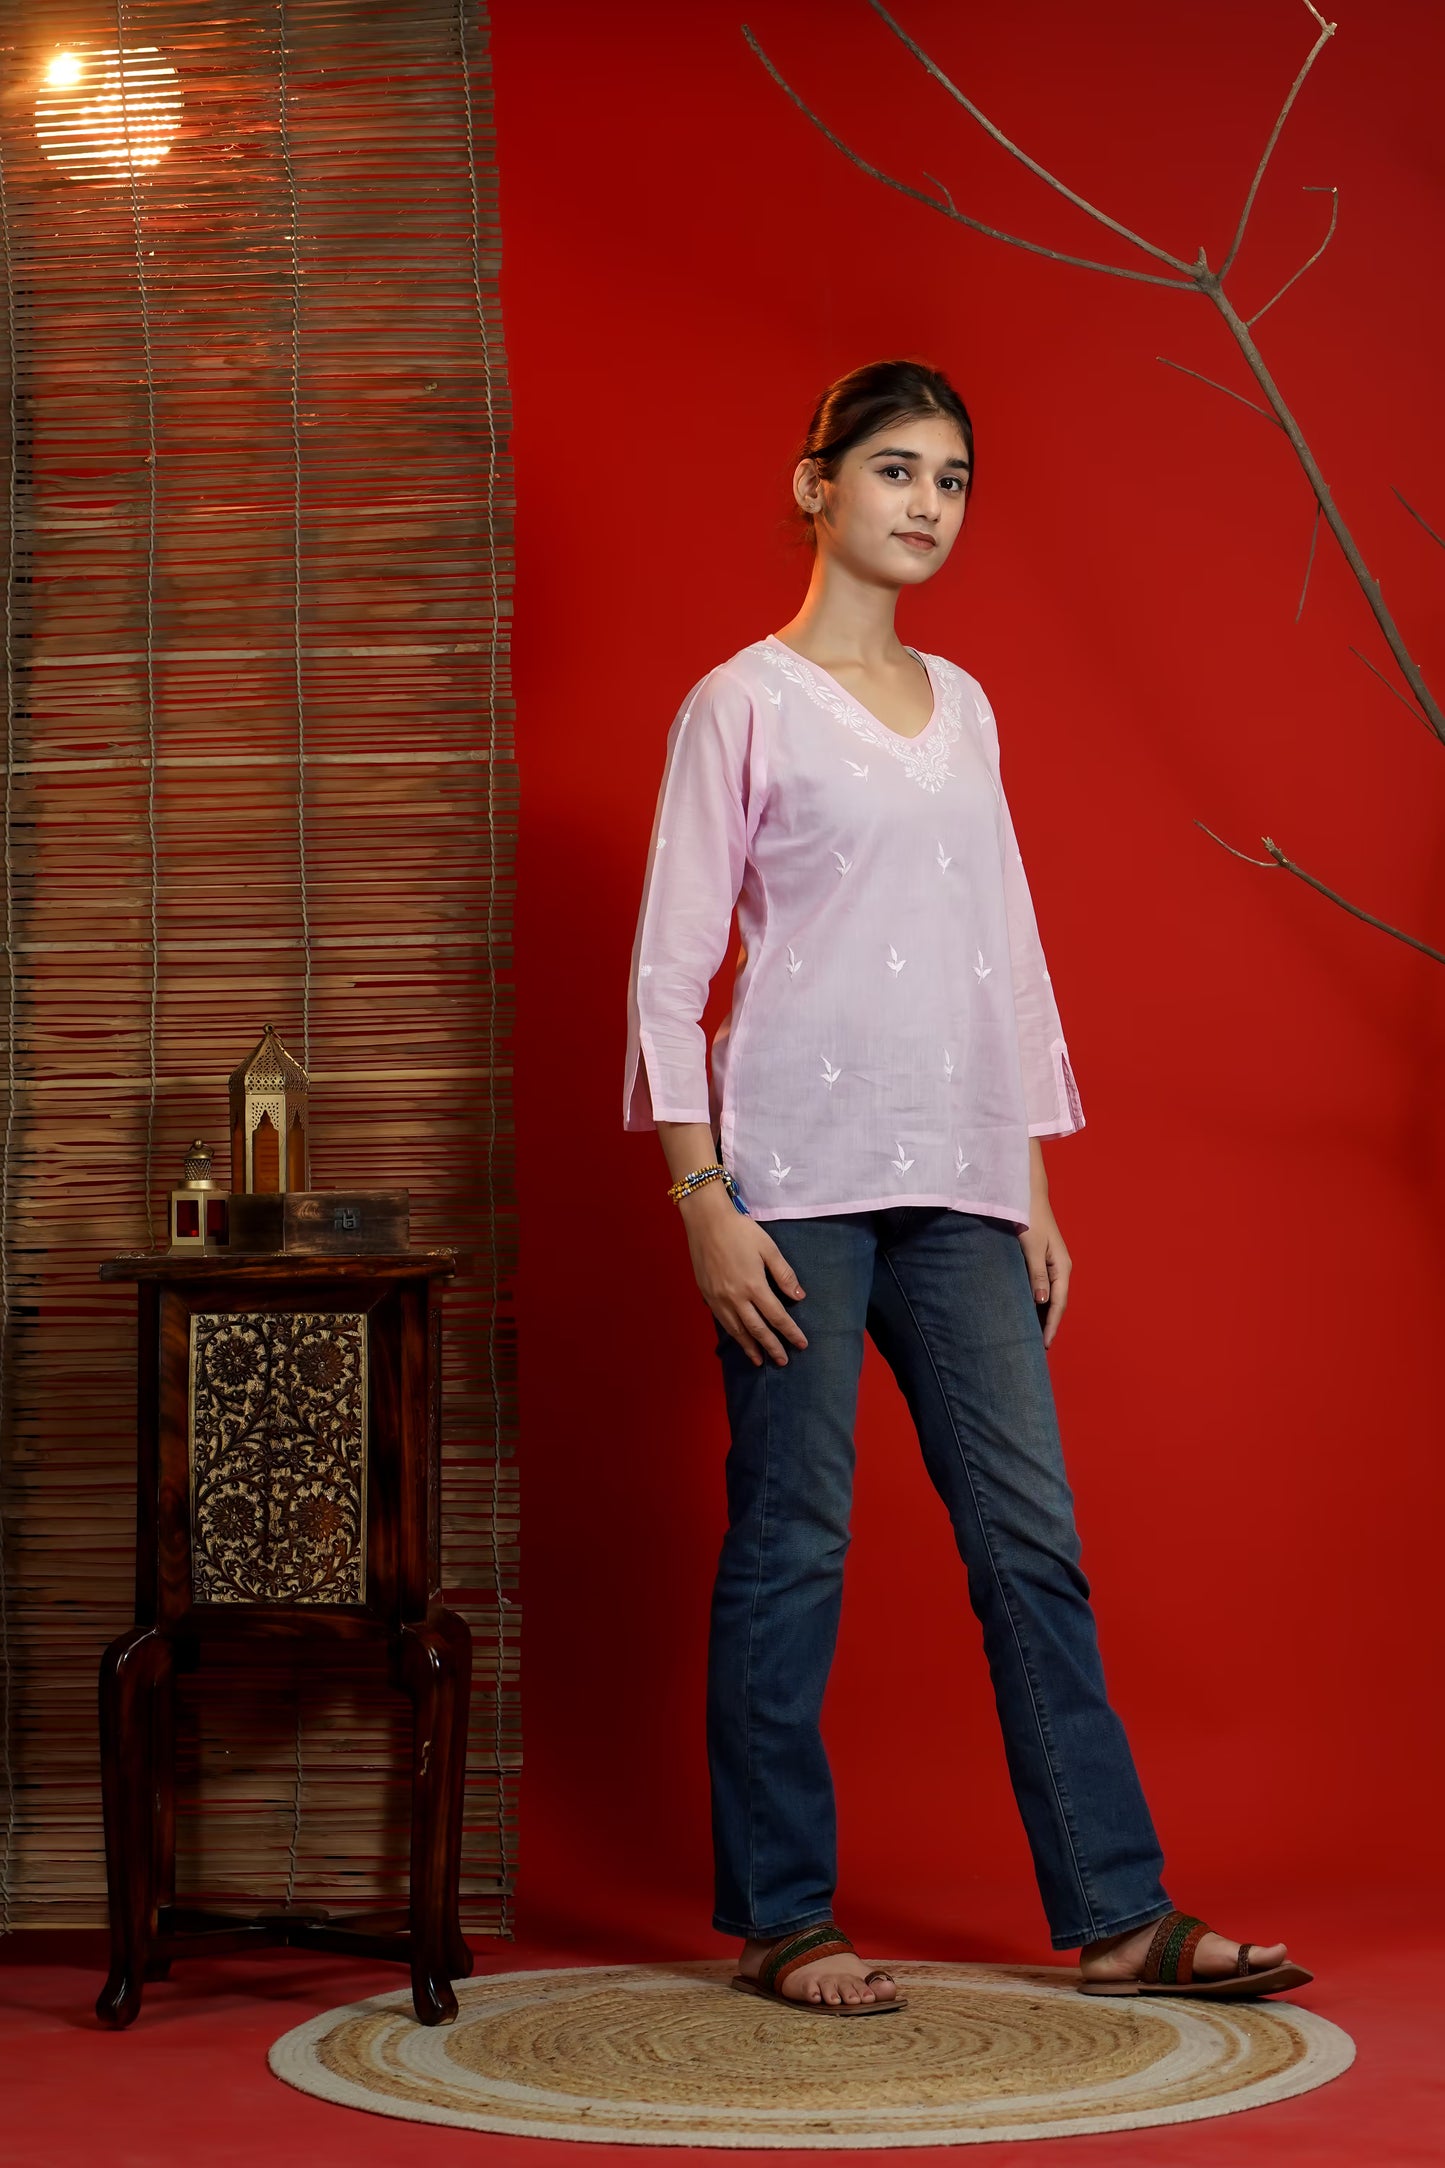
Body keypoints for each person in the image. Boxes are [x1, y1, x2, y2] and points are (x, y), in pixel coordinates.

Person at [621, 358, 1310, 2016]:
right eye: (895, 470)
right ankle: (785, 1918)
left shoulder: (974, 705)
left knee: (1030, 1546)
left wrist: (1030, 1182)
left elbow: (1007, 957)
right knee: (794, 1542)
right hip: (785, 1178)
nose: (926, 505)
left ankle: (1117, 1915)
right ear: (815, 486)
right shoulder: (743, 703)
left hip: (959, 1183)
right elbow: (666, 969)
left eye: (951, 480)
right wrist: (702, 1197)